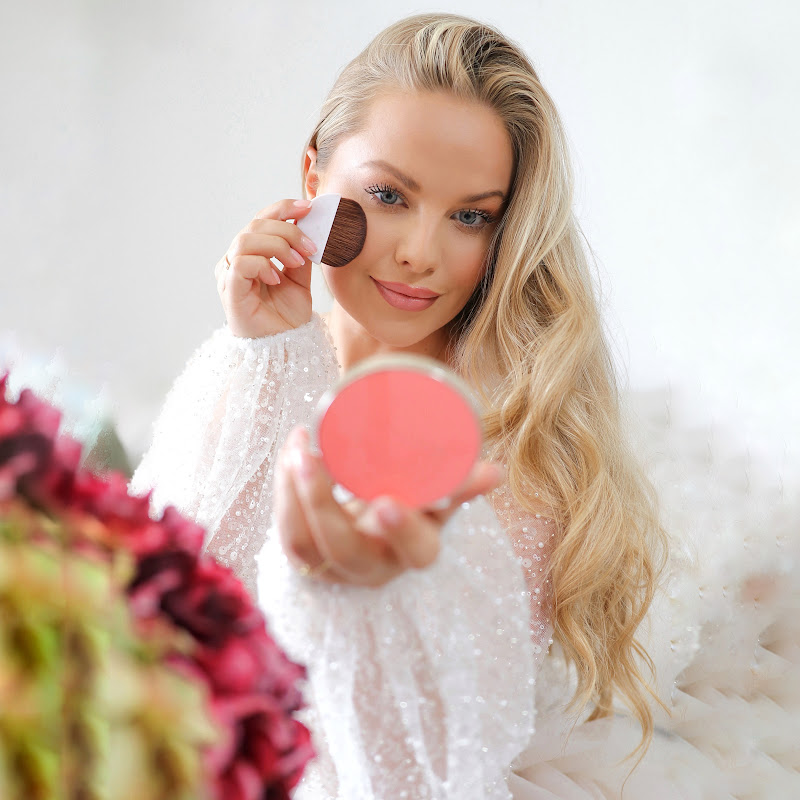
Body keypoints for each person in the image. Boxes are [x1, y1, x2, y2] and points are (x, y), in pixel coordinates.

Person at [129, 13, 671, 798]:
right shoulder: (246, 368)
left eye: (470, 216)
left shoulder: (504, 451)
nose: (420, 252)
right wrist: (271, 362)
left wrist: (361, 593)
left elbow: (426, 768)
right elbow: (149, 634)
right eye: (387, 195)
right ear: (313, 179)